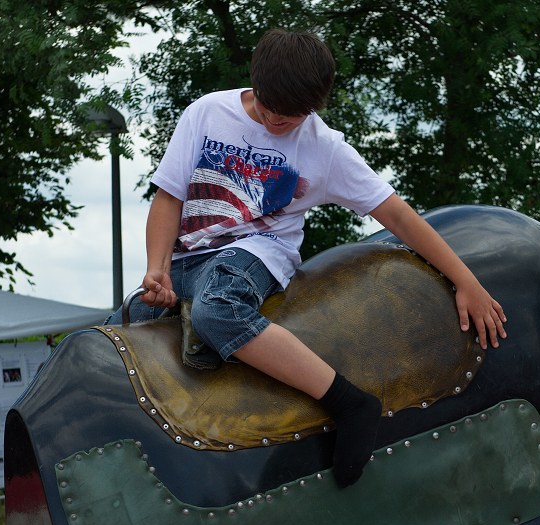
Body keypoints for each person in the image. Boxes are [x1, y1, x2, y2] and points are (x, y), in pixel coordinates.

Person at [108, 29, 506, 488]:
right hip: (186, 258)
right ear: (255, 86)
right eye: (270, 110)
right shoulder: (206, 113)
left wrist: (465, 280)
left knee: (218, 311)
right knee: (116, 333)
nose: (278, 122)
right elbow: (169, 197)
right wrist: (157, 269)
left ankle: (349, 401)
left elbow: (397, 213)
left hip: (253, 252)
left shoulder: (325, 148)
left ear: (315, 107)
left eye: (292, 117)